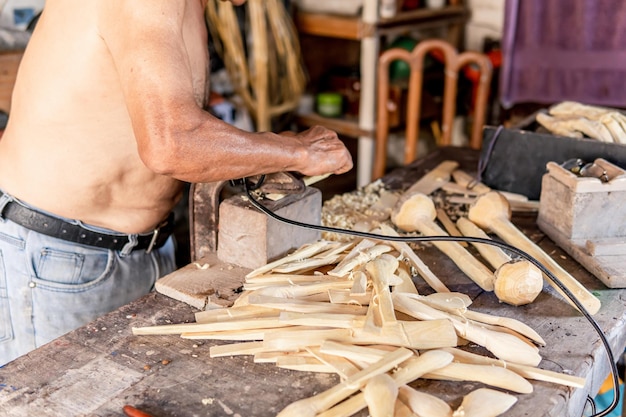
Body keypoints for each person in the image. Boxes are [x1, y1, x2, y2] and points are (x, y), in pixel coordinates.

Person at [0, 0, 353, 365]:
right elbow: (172, 141)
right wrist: (295, 150)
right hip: (59, 258)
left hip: (140, 249)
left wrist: (260, 154)